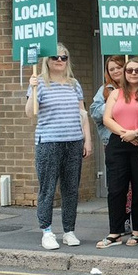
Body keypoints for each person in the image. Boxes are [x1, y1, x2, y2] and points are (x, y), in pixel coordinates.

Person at [25, 43, 92, 250]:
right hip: (49, 142)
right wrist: (34, 88)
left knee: (71, 188)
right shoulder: (40, 84)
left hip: (73, 142)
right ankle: (46, 231)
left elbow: (82, 114)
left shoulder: (74, 84)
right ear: (47, 60)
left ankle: (69, 231)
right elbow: (30, 113)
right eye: (55, 57)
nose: (60, 61)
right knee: (47, 188)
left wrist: (87, 139)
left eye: (64, 57)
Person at [95, 58, 138, 248]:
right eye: (129, 71)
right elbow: (106, 118)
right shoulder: (115, 93)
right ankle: (115, 232)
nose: (133, 73)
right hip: (117, 144)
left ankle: (137, 232)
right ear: (124, 74)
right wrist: (125, 133)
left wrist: (135, 133)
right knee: (116, 189)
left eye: (137, 70)